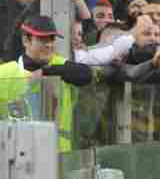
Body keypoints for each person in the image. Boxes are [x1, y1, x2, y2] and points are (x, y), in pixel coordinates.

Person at [0, 15, 101, 150]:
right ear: (26, 40)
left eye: (52, 39)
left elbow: (86, 74)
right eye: (42, 39)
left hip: (58, 156)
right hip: (17, 158)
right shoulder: (5, 73)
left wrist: (46, 71)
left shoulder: (60, 65)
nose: (49, 44)